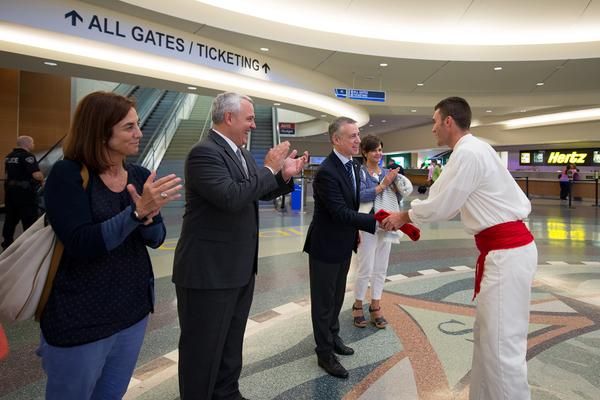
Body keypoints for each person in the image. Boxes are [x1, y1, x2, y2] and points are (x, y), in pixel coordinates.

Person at [382, 97, 537, 400]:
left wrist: (404, 216)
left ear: (448, 121)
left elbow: (441, 204)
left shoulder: (468, 153)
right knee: (487, 340)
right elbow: (444, 196)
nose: (433, 128)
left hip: (507, 253)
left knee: (502, 347)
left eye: (435, 121)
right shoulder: (474, 150)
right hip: (504, 252)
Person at [39, 91, 182, 400]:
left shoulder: (140, 175)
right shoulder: (68, 175)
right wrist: (137, 212)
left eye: (138, 124)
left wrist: (149, 218)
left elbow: (156, 240)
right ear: (101, 132)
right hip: (81, 318)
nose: (139, 133)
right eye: (129, 127)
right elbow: (81, 243)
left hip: (132, 312)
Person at [173, 92, 308, 400]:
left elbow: (253, 193)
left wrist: (283, 177)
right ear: (229, 118)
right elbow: (231, 197)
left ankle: (227, 393)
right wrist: (271, 168)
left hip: (238, 269)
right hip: (208, 273)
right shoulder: (203, 153)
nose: (253, 125)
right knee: (202, 350)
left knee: (230, 344)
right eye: (249, 119)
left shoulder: (240, 153)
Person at [303, 117, 377, 379]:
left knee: (335, 298)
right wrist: (377, 222)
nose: (358, 140)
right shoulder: (327, 172)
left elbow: (356, 202)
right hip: (325, 245)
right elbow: (339, 212)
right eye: (352, 136)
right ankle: (324, 353)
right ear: (336, 140)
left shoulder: (354, 166)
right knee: (323, 302)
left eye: (358, 135)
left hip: (344, 243)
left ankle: (333, 338)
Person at [352, 135, 400, 329]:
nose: (378, 154)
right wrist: (383, 184)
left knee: (381, 267)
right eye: (374, 150)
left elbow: (396, 197)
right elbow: (360, 195)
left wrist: (396, 186)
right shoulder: (361, 173)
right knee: (365, 267)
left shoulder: (386, 172)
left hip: (386, 224)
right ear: (364, 152)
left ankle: (376, 305)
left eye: (380, 150)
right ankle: (357, 304)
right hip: (367, 224)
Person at [1, 135, 44, 249]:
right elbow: (36, 175)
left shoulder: (9, 156)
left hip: (10, 193)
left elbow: (5, 175)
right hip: (25, 194)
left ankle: (7, 243)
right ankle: (29, 245)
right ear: (26, 144)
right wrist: (41, 177)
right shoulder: (28, 156)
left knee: (10, 219)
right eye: (32, 142)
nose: (33, 145)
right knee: (29, 219)